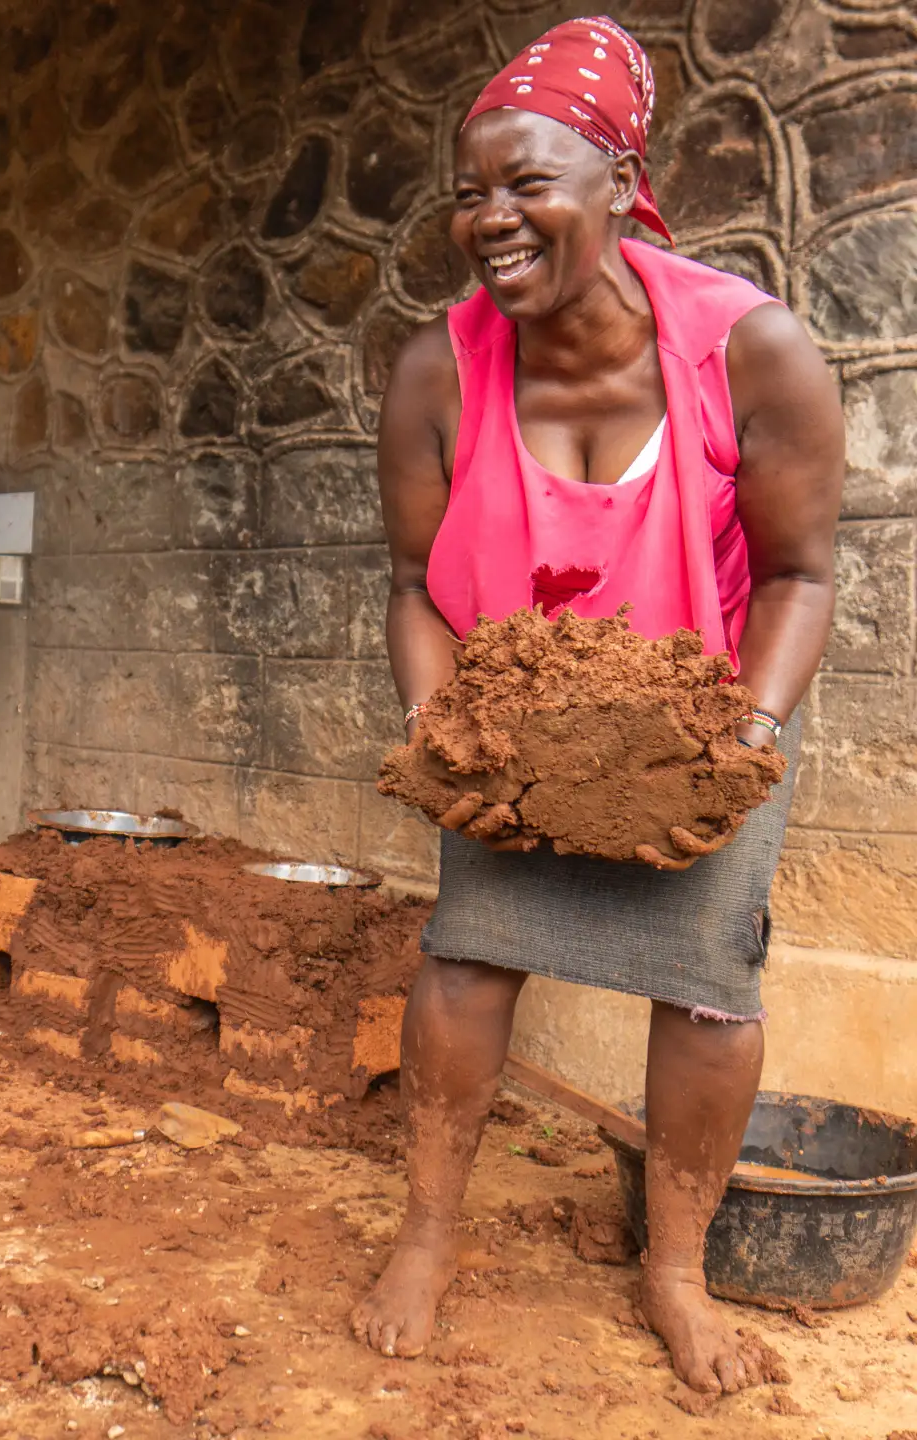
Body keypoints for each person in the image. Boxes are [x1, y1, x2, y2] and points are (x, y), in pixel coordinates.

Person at [350, 15, 844, 1397]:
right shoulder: (436, 371)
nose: (491, 220)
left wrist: (740, 746)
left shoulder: (754, 351)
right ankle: (431, 1235)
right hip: (515, 706)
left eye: (527, 185)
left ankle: (673, 1270)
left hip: (709, 702)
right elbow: (411, 584)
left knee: (709, 992)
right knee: (464, 954)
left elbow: (803, 573)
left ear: (623, 185)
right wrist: (445, 730)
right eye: (469, 194)